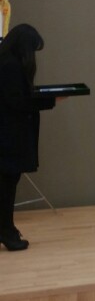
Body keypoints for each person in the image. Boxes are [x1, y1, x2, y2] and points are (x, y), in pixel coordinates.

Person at [0, 24, 56, 251]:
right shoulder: (10, 66)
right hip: (8, 137)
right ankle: (7, 231)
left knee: (6, 185)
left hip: (7, 136)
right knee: (6, 186)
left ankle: (7, 229)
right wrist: (50, 100)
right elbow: (17, 102)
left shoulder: (5, 62)